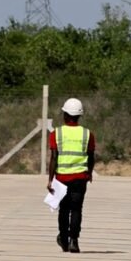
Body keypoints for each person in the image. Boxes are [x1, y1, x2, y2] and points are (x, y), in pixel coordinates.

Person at [46, 98, 96, 253]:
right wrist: (89, 173)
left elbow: (54, 157)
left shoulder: (57, 133)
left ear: (65, 114)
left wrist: (50, 179)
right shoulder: (87, 134)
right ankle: (74, 241)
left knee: (64, 210)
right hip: (80, 179)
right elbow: (91, 156)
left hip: (62, 178)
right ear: (79, 115)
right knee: (76, 209)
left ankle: (64, 239)